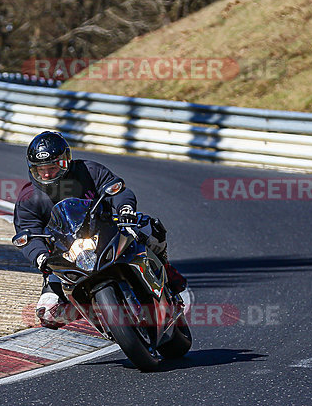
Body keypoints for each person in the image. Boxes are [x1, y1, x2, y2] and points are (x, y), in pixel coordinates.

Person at [14, 131, 187, 329]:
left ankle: (165, 270)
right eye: (40, 170)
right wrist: (40, 256)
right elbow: (26, 233)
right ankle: (94, 310)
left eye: (52, 168)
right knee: (48, 314)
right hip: (65, 255)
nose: (46, 175)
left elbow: (116, 189)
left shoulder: (89, 171)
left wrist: (125, 209)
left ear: (65, 162)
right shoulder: (28, 198)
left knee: (150, 227)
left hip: (108, 232)